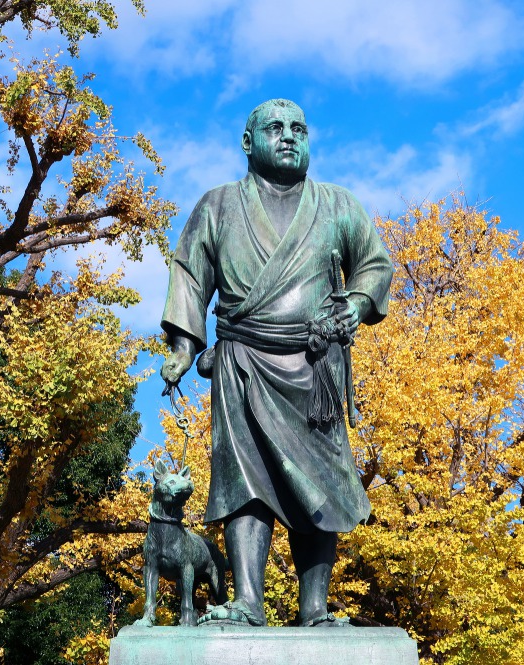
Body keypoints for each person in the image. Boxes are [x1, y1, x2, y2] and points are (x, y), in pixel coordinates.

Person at [160, 99, 392, 627]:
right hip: (242, 361)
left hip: (315, 366)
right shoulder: (217, 206)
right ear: (248, 142)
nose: (289, 136)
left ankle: (314, 608)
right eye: (276, 128)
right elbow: (190, 275)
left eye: (299, 128)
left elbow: (375, 264)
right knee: (243, 481)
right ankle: (247, 599)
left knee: (321, 484)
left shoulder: (337, 205)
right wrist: (183, 345)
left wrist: (355, 305)